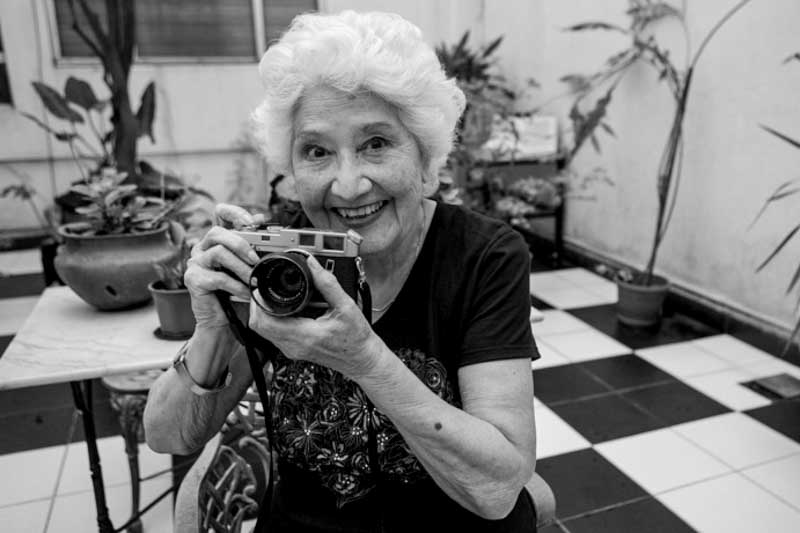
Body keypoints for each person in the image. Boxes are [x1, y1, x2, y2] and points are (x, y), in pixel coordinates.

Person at [144, 10, 539, 532]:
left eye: (376, 143)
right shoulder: (278, 261)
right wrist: (216, 330)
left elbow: (496, 490)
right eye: (317, 151)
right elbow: (168, 438)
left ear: (426, 157)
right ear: (292, 166)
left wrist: (368, 362)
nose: (348, 185)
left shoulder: (484, 257)